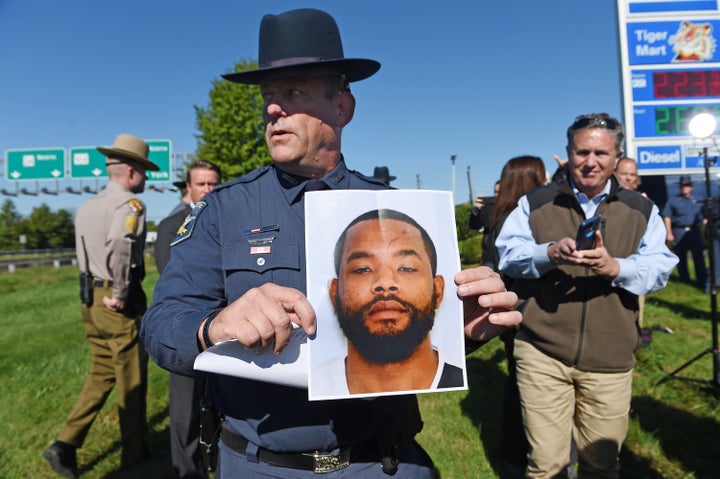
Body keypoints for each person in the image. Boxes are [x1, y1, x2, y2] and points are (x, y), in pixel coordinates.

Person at [141, 8, 521, 478]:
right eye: (268, 96)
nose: (273, 108)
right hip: (261, 465)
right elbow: (159, 327)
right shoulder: (225, 208)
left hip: (382, 462)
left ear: (342, 107)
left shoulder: (397, 213)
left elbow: (424, 336)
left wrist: (458, 331)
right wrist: (213, 325)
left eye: (293, 92)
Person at [496, 113, 677, 478]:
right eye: (582, 152)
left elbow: (660, 267)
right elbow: (507, 255)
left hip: (610, 357)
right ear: (568, 153)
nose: (590, 162)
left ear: (616, 157)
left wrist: (616, 268)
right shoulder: (537, 202)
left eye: (601, 153)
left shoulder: (641, 209)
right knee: (546, 465)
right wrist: (547, 252)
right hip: (543, 350)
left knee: (601, 464)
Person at [43, 133, 159, 479]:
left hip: (90, 299)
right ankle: (135, 454)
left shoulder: (87, 206)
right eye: (144, 171)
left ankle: (64, 444)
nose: (146, 179)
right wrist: (122, 292)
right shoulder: (129, 206)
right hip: (115, 300)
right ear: (131, 171)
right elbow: (122, 245)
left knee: (101, 374)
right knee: (131, 376)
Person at [317, 208, 463, 396]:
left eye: (407, 268)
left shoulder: (457, 377)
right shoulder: (311, 385)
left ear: (438, 290)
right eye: (362, 269)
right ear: (334, 293)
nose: (385, 283)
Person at [154, 160, 221, 479]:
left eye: (213, 184)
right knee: (184, 408)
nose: (208, 189)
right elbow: (171, 279)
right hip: (190, 328)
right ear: (189, 188)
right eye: (202, 184)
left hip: (226, 329)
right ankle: (186, 470)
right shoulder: (173, 225)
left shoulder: (226, 218)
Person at [482, 156, 546, 478]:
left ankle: (512, 454)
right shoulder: (522, 217)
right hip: (520, 308)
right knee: (524, 388)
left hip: (505, 307)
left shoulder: (498, 213)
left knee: (516, 383)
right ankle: (516, 456)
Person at [662, 175, 707, 288]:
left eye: (686, 185)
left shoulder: (698, 200)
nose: (684, 188)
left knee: (699, 257)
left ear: (690, 187)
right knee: (681, 258)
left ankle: (701, 280)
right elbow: (667, 217)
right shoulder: (673, 201)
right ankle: (684, 280)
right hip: (679, 230)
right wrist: (669, 232)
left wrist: (704, 223)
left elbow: (704, 215)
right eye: (682, 186)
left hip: (694, 231)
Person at [469, 180, 500, 267]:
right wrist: (476, 211)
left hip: (507, 257)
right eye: (495, 192)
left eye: (500, 192)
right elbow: (474, 225)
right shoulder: (488, 208)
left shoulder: (513, 209)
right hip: (490, 256)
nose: (497, 195)